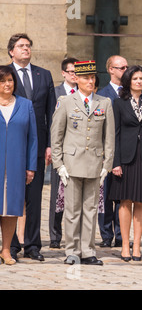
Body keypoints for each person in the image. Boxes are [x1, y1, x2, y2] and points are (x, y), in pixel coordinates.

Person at [51, 60, 115, 266]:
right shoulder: (66, 102)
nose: (90, 81)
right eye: (86, 77)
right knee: (72, 210)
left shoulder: (104, 103)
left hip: (94, 164)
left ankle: (88, 250)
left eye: (93, 77)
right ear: (76, 79)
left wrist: (107, 165)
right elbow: (57, 135)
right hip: (71, 164)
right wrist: (58, 164)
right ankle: (72, 250)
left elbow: (109, 138)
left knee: (91, 209)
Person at [7, 33, 56, 262]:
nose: (26, 49)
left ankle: (33, 245)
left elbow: (50, 114)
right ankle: (11, 245)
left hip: (37, 144)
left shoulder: (44, 75)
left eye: (28, 46)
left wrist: (49, 146)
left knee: (34, 197)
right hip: (11, 143)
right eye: (21, 46)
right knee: (12, 195)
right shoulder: (4, 75)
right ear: (11, 51)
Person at [109, 65, 142, 262]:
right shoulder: (118, 103)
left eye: (141, 78)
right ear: (128, 81)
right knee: (125, 201)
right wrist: (116, 162)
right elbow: (115, 134)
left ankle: (137, 245)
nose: (139, 81)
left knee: (141, 201)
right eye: (135, 78)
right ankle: (124, 245)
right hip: (125, 158)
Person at [0, 66, 38, 265]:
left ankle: (6, 250)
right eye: (3, 81)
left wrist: (30, 166)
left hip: (16, 165)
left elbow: (33, 138)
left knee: (12, 208)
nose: (7, 84)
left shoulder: (25, 105)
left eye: (10, 80)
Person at [97, 55, 128, 248]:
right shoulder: (102, 94)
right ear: (111, 69)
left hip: (126, 152)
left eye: (126, 67)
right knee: (106, 196)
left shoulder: (131, 93)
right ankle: (106, 234)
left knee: (122, 195)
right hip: (105, 152)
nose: (125, 70)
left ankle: (121, 234)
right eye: (121, 67)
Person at [49, 57, 78, 249]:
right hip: (60, 150)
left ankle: (74, 236)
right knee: (56, 194)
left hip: (78, 152)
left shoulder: (86, 93)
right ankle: (54, 235)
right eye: (72, 72)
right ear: (64, 73)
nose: (75, 75)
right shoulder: (55, 93)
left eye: (78, 72)